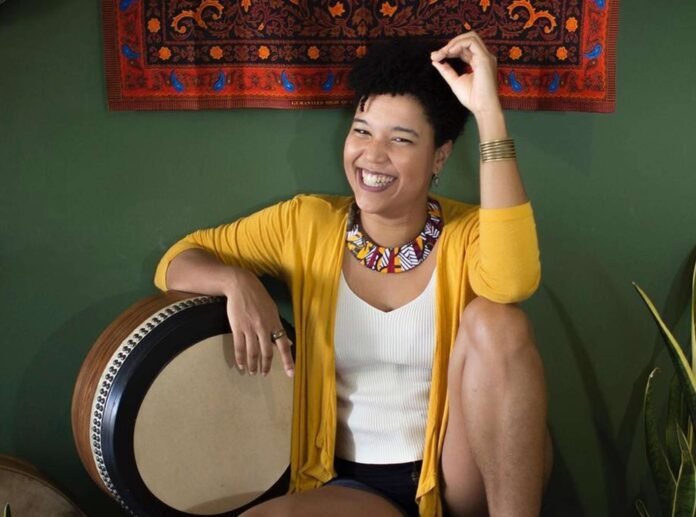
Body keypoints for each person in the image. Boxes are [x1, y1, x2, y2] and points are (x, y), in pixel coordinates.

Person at [154, 32, 552, 517]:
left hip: (463, 475)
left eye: (400, 139)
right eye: (362, 131)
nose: (373, 155)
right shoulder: (305, 224)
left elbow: (513, 282)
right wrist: (236, 282)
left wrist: (489, 113)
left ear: (440, 156)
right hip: (359, 488)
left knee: (499, 320)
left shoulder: (467, 233)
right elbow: (177, 259)